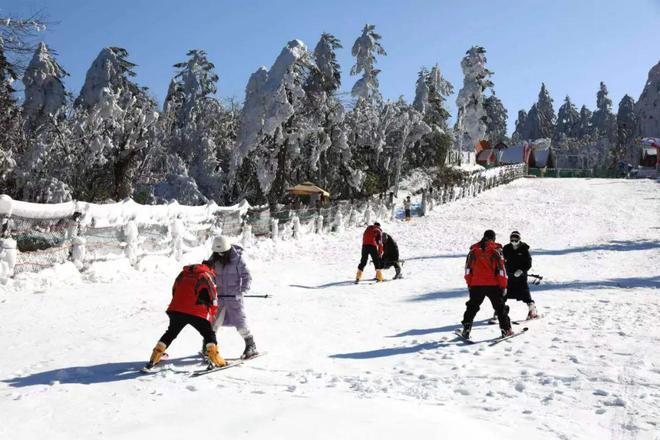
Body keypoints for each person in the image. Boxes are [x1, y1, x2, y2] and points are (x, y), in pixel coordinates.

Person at [144, 263, 226, 371]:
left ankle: (155, 356)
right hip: (197, 311)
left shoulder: (183, 274)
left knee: (171, 333)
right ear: (210, 268)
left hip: (176, 309)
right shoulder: (205, 275)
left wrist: (179, 305)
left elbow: (174, 289)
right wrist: (213, 310)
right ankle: (215, 358)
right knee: (208, 333)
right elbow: (213, 295)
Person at [203, 236, 258, 359]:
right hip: (218, 298)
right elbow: (208, 277)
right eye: (218, 253)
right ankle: (208, 346)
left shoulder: (237, 259)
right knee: (213, 324)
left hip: (234, 298)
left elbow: (247, 276)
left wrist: (243, 290)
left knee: (240, 322)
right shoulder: (213, 260)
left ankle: (251, 345)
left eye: (223, 252)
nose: (220, 255)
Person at [461, 229, 513, 339]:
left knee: (472, 307)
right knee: (500, 308)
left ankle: (466, 328)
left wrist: (469, 283)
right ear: (493, 238)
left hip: (476, 284)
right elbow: (501, 271)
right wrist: (503, 285)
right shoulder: (496, 251)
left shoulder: (473, 251)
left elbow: (468, 269)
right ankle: (506, 329)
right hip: (493, 285)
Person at [502, 230, 539, 320]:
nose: (514, 242)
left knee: (525, 294)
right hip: (509, 276)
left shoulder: (524, 249)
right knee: (503, 295)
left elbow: (528, 263)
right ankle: (500, 312)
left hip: (521, 277)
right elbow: (502, 260)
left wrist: (521, 270)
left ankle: (532, 311)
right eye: (512, 239)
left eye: (516, 239)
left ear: (519, 239)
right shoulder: (506, 248)